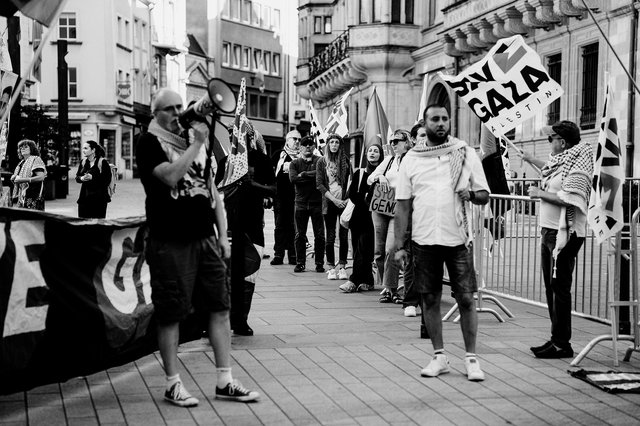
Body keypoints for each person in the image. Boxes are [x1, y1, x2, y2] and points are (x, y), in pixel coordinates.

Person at [136, 88, 259, 407]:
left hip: (205, 238)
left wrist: (222, 235)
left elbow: (212, 191)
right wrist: (195, 145)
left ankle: (225, 380)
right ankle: (173, 384)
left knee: (219, 307)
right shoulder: (149, 142)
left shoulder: (196, 139)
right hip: (170, 240)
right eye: (170, 108)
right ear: (156, 113)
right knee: (171, 312)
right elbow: (170, 177)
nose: (177, 112)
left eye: (181, 106)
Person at [394, 104, 490, 381]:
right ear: (424, 124)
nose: (441, 123)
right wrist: (399, 245)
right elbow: (402, 205)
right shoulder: (411, 158)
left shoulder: (464, 153)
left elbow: (484, 193)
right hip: (424, 239)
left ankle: (471, 359)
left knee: (466, 299)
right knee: (431, 298)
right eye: (435, 119)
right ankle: (439, 356)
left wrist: (469, 194)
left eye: (445, 119)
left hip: (458, 238)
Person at [523, 120, 593, 359]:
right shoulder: (563, 161)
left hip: (565, 234)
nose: (549, 142)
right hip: (550, 232)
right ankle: (556, 339)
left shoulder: (579, 163)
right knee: (552, 287)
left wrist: (539, 193)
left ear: (562, 142)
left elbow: (570, 197)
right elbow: (553, 173)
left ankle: (562, 343)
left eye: (550, 139)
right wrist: (531, 159)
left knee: (559, 288)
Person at [225, 125, 276, 336]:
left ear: (249, 136)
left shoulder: (262, 160)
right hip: (227, 227)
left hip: (252, 227)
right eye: (230, 134)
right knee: (224, 275)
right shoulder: (225, 161)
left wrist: (252, 184)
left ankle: (240, 320)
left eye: (238, 133)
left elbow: (274, 190)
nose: (233, 137)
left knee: (248, 276)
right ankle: (217, 320)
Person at [367, 129, 412, 304]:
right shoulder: (389, 160)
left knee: (390, 248)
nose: (393, 144)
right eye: (391, 141)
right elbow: (370, 177)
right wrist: (380, 177)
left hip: (400, 208)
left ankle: (391, 287)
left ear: (407, 142)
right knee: (378, 251)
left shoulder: (413, 160)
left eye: (397, 141)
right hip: (381, 206)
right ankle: (388, 288)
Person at [338, 144, 383, 293]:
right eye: (370, 151)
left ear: (380, 155)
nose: (372, 153)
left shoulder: (383, 174)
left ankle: (353, 280)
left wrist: (367, 197)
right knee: (358, 249)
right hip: (358, 216)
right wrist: (365, 198)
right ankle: (368, 280)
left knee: (364, 248)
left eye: (376, 151)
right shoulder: (360, 173)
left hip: (374, 217)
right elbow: (352, 194)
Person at [316, 134, 352, 280]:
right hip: (329, 203)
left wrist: (346, 199)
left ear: (340, 145)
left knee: (343, 237)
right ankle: (331, 267)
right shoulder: (321, 162)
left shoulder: (345, 161)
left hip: (344, 203)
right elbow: (319, 184)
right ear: (328, 145)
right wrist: (334, 200)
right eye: (332, 142)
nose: (334, 145)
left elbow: (351, 182)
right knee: (330, 236)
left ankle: (342, 266)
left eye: (337, 142)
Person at [289, 135, 325, 273]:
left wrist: (303, 174)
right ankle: (300, 263)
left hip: (317, 203)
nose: (308, 146)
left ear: (314, 147)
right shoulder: (294, 163)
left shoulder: (320, 160)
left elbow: (321, 175)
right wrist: (310, 176)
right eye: (305, 144)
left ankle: (319, 263)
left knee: (320, 235)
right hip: (301, 203)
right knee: (300, 235)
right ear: (300, 147)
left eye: (310, 144)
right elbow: (293, 179)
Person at [270, 130, 300, 266]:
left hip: (296, 197)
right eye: (294, 139)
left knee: (293, 226)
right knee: (279, 226)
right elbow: (271, 176)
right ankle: (278, 254)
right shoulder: (278, 155)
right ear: (287, 140)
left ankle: (293, 255)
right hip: (280, 197)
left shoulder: (302, 157)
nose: (297, 142)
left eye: (299, 140)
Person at [75, 140, 112, 218]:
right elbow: (77, 177)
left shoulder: (102, 162)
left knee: (97, 225)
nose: (83, 150)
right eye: (83, 148)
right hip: (84, 199)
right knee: (83, 224)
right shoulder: (83, 162)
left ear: (93, 150)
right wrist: (82, 178)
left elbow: (106, 180)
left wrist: (93, 177)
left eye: (86, 148)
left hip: (99, 200)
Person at [10, 139, 47, 210]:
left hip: (33, 195)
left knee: (32, 219)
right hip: (23, 196)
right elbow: (19, 180)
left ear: (32, 149)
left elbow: (41, 177)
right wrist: (14, 178)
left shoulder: (36, 159)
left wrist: (22, 180)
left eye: (26, 147)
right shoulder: (21, 163)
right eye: (21, 147)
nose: (22, 149)